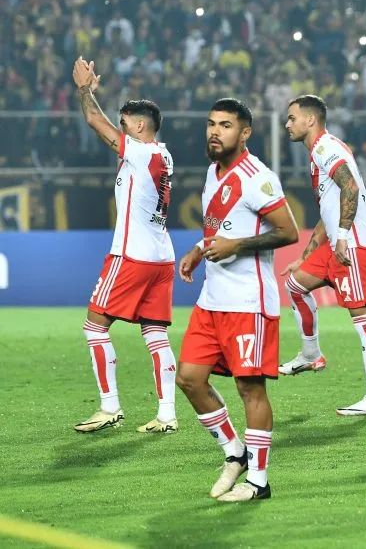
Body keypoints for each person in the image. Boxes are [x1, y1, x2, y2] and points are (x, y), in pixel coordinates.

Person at [175, 98, 299, 502]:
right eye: (211, 124)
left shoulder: (258, 178)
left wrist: (236, 246)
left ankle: (259, 482)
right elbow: (223, 226)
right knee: (189, 379)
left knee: (251, 391)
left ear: (244, 132)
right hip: (213, 299)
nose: (215, 131)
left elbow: (287, 233)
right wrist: (200, 246)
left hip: (249, 303)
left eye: (225, 125)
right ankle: (234, 451)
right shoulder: (214, 171)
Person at [70, 58, 178, 436]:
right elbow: (106, 131)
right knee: (155, 334)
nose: (120, 128)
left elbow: (95, 124)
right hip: (161, 256)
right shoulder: (162, 155)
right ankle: (167, 414)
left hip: (132, 255)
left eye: (126, 123)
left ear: (140, 126)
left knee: (94, 327)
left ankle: (109, 406)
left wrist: (84, 90)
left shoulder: (142, 152)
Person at [279, 94, 366, 417]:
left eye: (292, 118)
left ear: (310, 120)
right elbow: (330, 209)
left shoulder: (326, 148)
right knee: (295, 285)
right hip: (335, 242)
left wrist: (342, 238)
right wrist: (305, 255)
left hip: (353, 245)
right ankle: (311, 354)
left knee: (364, 318)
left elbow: (350, 188)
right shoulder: (321, 151)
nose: (287, 124)